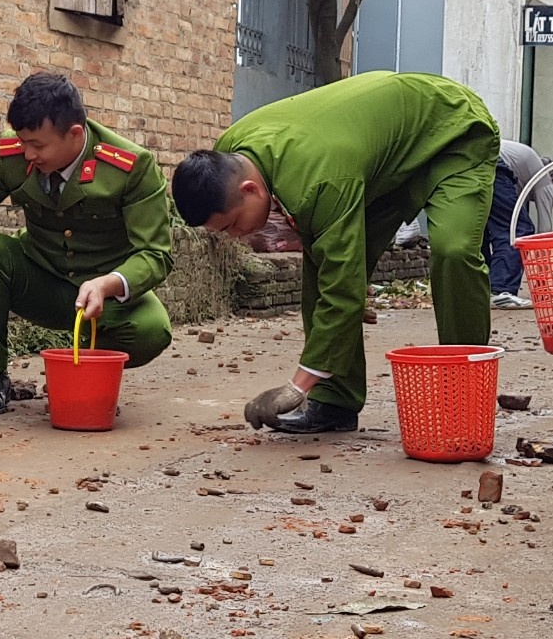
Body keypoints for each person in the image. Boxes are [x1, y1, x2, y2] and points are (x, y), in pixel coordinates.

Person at [171, 71, 499, 434]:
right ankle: (334, 402)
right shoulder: (231, 149)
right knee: (322, 258)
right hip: (380, 164)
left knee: (453, 250)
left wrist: (296, 387)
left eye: (232, 225)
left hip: (451, 131)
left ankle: (465, 391)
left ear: (249, 189)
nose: (235, 237)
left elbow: (343, 290)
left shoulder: (318, 184)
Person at [0, 71, 173, 417]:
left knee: (152, 330)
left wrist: (108, 283)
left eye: (38, 145)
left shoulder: (130, 167)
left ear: (74, 135)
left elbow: (155, 254)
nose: (27, 154)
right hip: (40, 281)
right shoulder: (14, 155)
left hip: (102, 298)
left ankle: (83, 372)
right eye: (22, 141)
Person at [487, 138, 553, 309]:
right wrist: (543, 282)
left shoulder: (521, 165)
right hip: (492, 164)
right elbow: (545, 233)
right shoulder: (544, 176)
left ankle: (480, 289)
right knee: (518, 229)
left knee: (480, 230)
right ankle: (501, 290)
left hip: (469, 159)